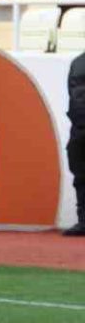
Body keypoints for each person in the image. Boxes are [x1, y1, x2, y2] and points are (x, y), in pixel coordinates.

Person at [66, 51, 85, 235]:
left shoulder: (77, 62)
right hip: (79, 128)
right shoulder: (77, 62)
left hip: (79, 127)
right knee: (80, 175)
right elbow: (72, 96)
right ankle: (83, 221)